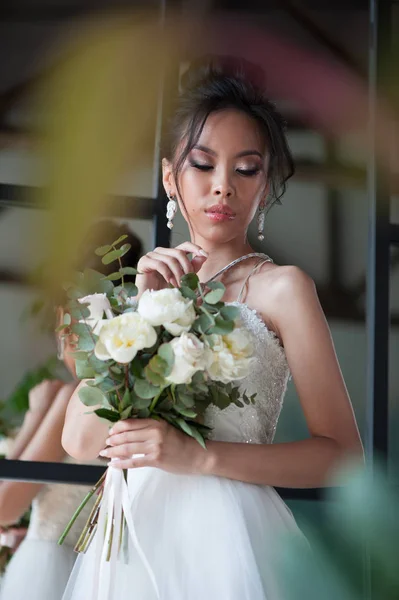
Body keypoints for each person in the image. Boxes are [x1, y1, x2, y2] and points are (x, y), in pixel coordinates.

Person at [61, 58, 363, 600]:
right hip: (133, 543)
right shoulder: (139, 291)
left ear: (264, 181)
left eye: (245, 169)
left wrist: (199, 456)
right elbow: (80, 440)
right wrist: (143, 309)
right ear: (170, 177)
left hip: (233, 542)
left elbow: (341, 456)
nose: (222, 187)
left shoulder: (283, 289)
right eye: (202, 165)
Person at [0, 222, 142, 600]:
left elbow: (3, 506)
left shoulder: (75, 398)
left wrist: (35, 416)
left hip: (50, 567)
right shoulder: (132, 397)